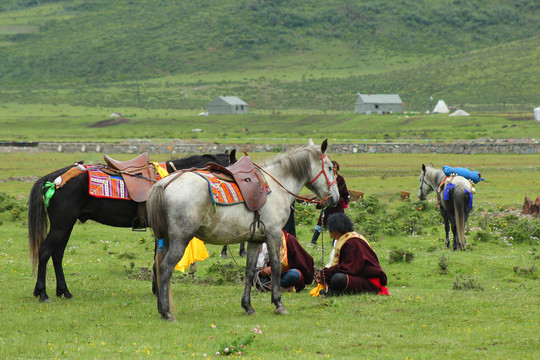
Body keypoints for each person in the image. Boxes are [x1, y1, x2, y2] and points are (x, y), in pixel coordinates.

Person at [312, 213, 388, 296]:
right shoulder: (346, 240)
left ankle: (336, 292)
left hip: (369, 281)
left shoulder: (353, 243)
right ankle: (336, 291)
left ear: (335, 229)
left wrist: (326, 274)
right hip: (358, 276)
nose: (328, 231)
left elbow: (348, 268)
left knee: (338, 279)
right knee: (334, 277)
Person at [309, 160, 350, 245]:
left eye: (335, 167)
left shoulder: (340, 179)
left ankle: (334, 242)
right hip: (328, 204)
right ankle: (313, 241)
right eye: (332, 167)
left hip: (338, 205)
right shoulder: (327, 178)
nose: (334, 169)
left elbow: (344, 191)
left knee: (338, 223)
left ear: (337, 168)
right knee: (320, 222)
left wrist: (343, 200)